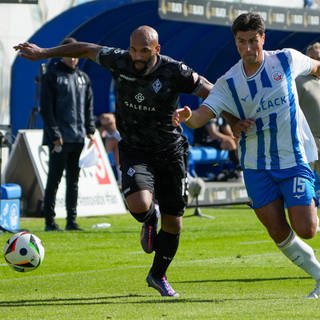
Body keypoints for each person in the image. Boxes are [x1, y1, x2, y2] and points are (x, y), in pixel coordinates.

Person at [14, 26, 213, 297]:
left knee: (174, 224)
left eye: (144, 50)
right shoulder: (119, 60)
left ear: (157, 49)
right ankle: (148, 218)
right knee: (140, 205)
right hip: (135, 149)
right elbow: (84, 48)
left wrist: (198, 115)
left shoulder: (176, 71)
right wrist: (44, 53)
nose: (137, 56)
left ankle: (158, 275)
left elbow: (213, 92)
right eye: (133, 49)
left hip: (170, 152)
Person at [172, 12, 320, 298]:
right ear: (235, 43)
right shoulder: (228, 82)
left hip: (293, 159)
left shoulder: (286, 59)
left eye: (254, 41)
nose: (249, 48)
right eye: (242, 42)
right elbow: (203, 115)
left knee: (307, 228)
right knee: (277, 231)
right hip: (254, 166)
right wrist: (188, 117)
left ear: (263, 38)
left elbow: (316, 67)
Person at [39, 37, 95, 232]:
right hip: (60, 138)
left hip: (78, 137)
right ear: (62, 53)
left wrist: (90, 129)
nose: (73, 59)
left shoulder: (83, 78)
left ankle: (72, 221)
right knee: (54, 180)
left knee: (74, 181)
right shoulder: (52, 76)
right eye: (69, 55)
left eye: (76, 55)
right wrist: (54, 133)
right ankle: (49, 222)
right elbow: (46, 109)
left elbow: (88, 107)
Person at [296, 42, 320, 200]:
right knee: (307, 183)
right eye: (313, 58)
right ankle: (311, 222)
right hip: (308, 140)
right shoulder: (298, 80)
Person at [193, 116, 241, 181]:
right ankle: (237, 168)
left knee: (236, 140)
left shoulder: (222, 116)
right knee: (230, 142)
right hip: (203, 141)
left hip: (214, 141)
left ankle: (235, 168)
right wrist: (229, 138)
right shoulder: (209, 113)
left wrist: (236, 138)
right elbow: (213, 134)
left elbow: (229, 133)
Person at [96, 113, 121, 182]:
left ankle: (120, 180)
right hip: (112, 136)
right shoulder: (104, 124)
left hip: (117, 135)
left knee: (118, 160)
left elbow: (109, 120)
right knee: (116, 160)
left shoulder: (109, 118)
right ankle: (119, 180)